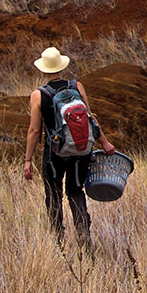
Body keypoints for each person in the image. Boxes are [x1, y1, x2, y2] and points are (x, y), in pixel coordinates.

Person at [23, 46, 116, 247]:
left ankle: (58, 240)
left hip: (54, 154)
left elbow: (33, 131)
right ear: (61, 66)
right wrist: (105, 142)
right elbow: (90, 119)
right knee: (75, 191)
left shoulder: (39, 95)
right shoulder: (77, 86)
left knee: (53, 194)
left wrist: (28, 160)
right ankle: (83, 233)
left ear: (43, 69)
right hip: (81, 151)